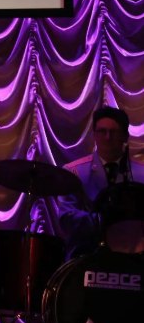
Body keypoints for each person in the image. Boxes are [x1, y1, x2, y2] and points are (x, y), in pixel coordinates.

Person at [58, 106, 144, 258]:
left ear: (125, 136)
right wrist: (104, 220)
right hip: (85, 255)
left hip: (133, 257)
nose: (107, 137)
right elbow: (66, 218)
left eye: (113, 132)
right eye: (102, 131)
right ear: (94, 135)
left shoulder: (142, 173)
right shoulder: (73, 172)